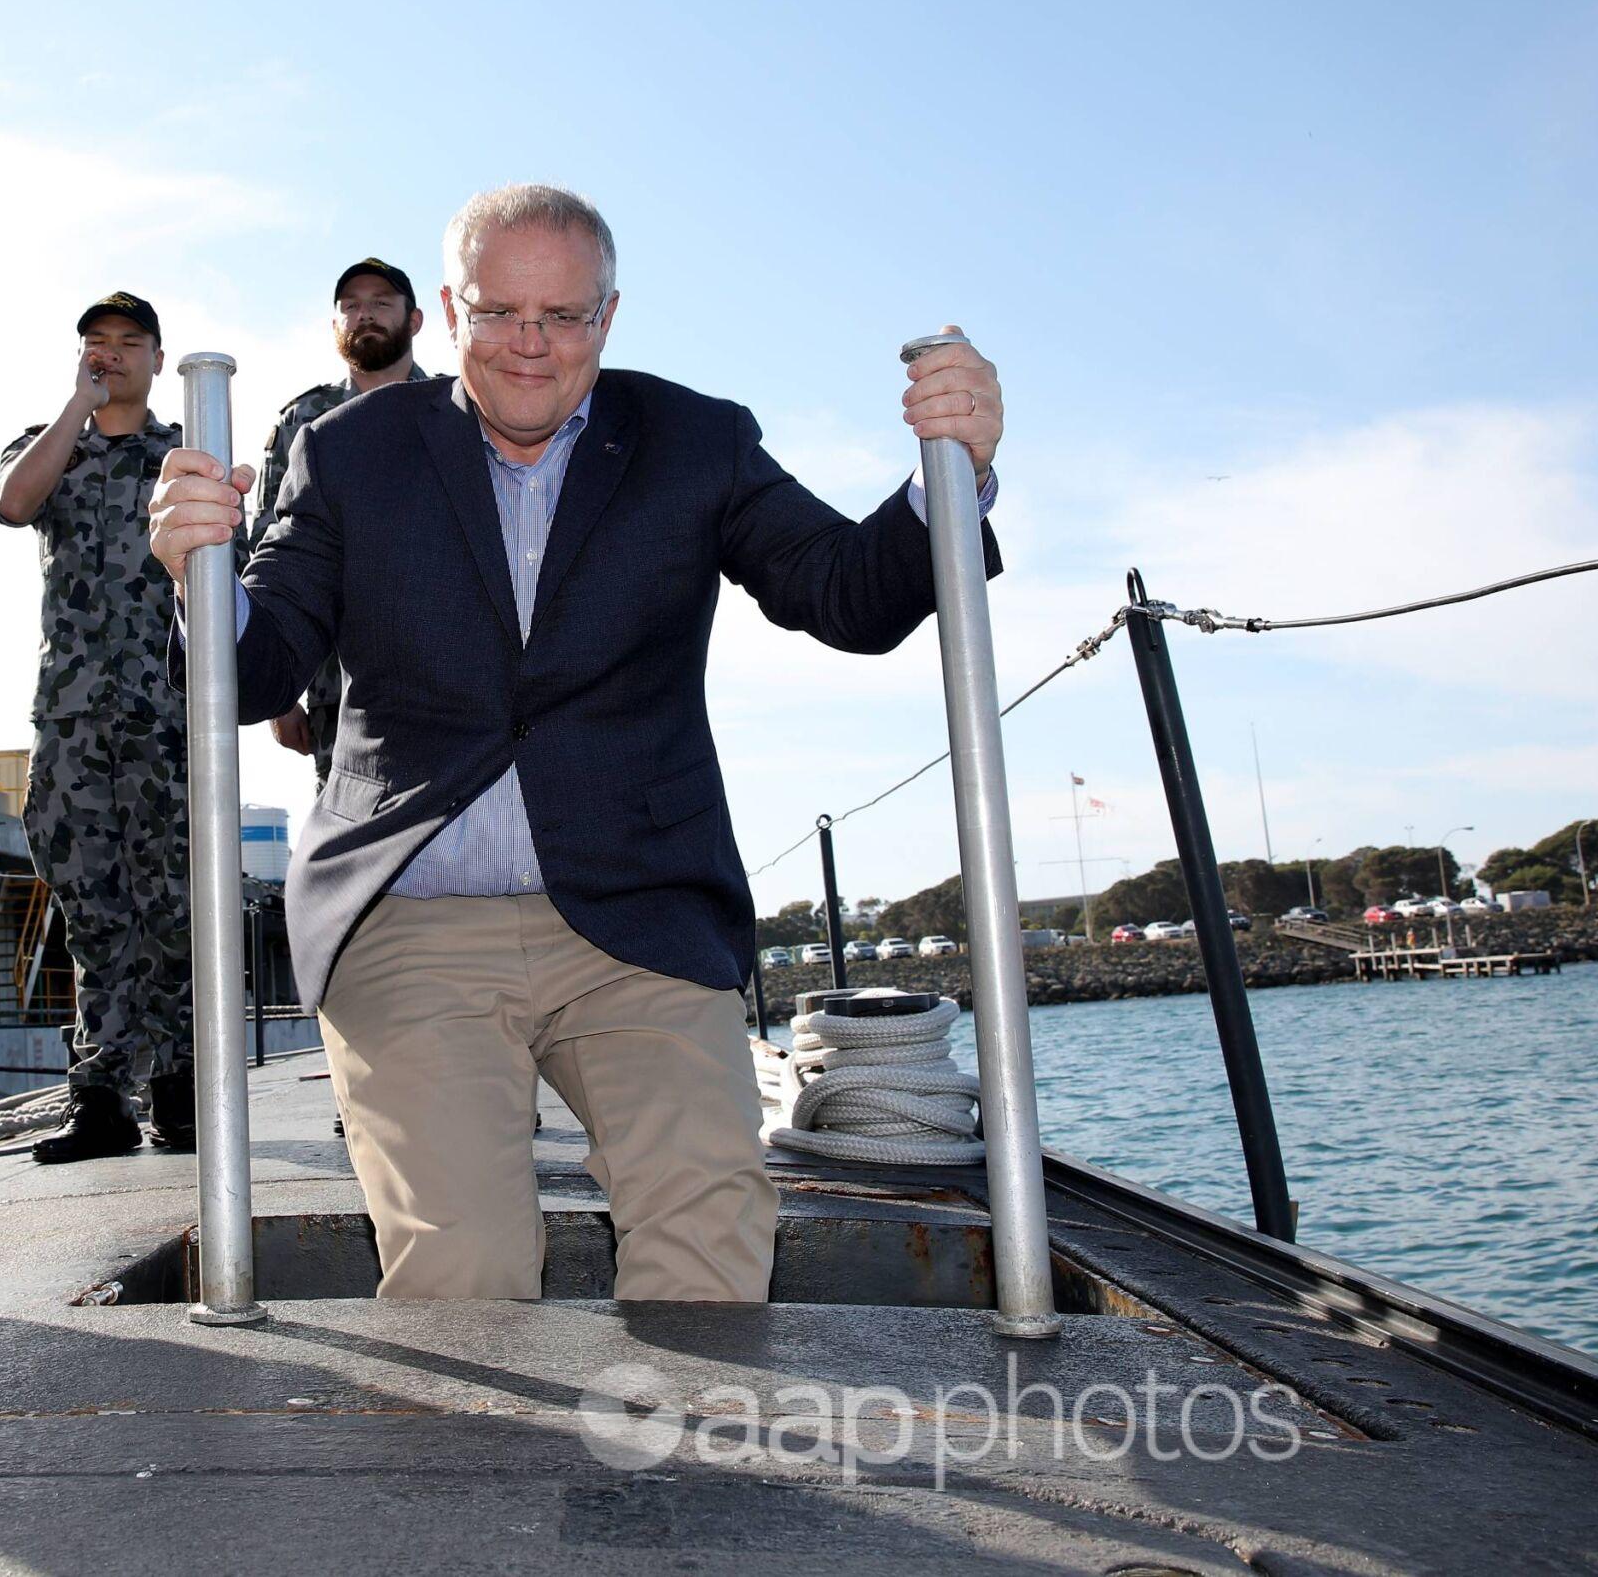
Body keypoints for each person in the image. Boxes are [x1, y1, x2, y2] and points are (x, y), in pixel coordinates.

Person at [149, 184, 1005, 1301]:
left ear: (608, 316)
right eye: (501, 313)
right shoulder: (348, 453)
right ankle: (480, 1476)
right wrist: (195, 570)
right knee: (465, 1263)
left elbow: (846, 596)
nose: (530, 347)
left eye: (562, 317)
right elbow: (254, 669)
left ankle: (684, 1475)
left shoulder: (696, 440)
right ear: (449, 314)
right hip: (412, 918)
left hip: (636, 914)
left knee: (708, 1226)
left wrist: (955, 473)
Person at [0, 294, 195, 1162]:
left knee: (176, 905)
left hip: (166, 715)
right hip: (72, 714)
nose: (111, 357)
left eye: (128, 344)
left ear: (155, 358)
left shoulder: (181, 457)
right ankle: (102, 1095)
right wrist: (76, 407)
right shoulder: (51, 443)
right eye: (96, 345)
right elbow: (9, 502)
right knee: (93, 909)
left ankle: (183, 1086)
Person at [248, 259, 432, 785]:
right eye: (350, 306)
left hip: (447, 683)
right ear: (335, 325)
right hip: (338, 693)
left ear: (414, 320)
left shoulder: (459, 409)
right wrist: (277, 695)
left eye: (380, 303)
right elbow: (270, 553)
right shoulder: (303, 423)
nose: (364, 315)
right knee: (350, 850)